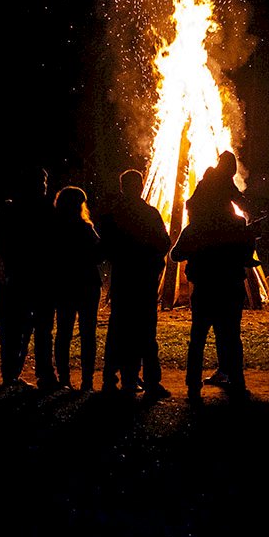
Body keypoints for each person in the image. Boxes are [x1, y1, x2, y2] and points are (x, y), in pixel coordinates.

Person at [172, 173, 257, 404]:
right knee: (231, 336)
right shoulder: (237, 224)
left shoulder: (195, 228)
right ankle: (237, 380)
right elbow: (247, 251)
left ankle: (192, 383)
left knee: (198, 336)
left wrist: (197, 250)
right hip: (231, 287)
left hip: (205, 288)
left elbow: (176, 254)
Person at [98, 170, 172, 398]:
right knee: (145, 332)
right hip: (143, 281)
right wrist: (152, 262)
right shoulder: (149, 213)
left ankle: (113, 379)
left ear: (122, 187)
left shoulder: (113, 214)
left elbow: (104, 249)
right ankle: (149, 381)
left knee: (118, 330)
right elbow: (164, 243)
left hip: (123, 281)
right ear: (140, 186)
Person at [0, 167, 53, 389]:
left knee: (18, 329)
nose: (45, 187)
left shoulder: (10, 210)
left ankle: (12, 373)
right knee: (39, 329)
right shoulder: (45, 210)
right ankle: (42, 374)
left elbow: (2, 244)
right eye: (42, 183)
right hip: (37, 277)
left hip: (20, 276)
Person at [49, 186, 105, 391]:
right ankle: (87, 381)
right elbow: (100, 254)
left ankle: (64, 378)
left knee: (63, 331)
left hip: (64, 284)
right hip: (87, 283)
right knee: (87, 332)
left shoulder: (54, 228)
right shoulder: (84, 228)